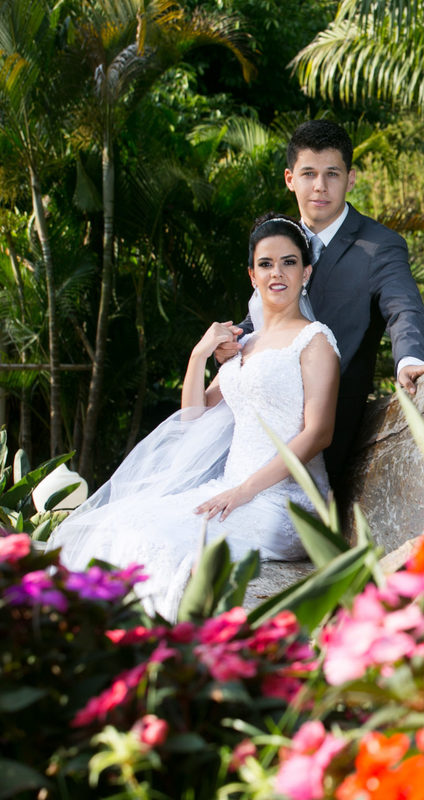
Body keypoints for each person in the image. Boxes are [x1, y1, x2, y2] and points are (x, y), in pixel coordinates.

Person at [49, 214, 340, 621]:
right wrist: (198, 354)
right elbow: (193, 419)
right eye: (266, 263)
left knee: (166, 544)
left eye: (289, 262)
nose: (278, 273)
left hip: (281, 504)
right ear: (252, 274)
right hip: (227, 491)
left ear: (306, 272)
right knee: (120, 523)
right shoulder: (246, 344)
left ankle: (165, 647)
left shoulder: (315, 340)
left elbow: (318, 433)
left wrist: (242, 493)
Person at [216, 120, 424, 485]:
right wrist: (231, 342)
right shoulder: (277, 239)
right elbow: (262, 319)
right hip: (250, 433)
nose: (320, 186)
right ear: (290, 179)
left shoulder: (380, 246)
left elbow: (404, 307)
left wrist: (410, 360)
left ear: (350, 179)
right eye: (309, 174)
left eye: (332, 174)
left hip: (326, 441)